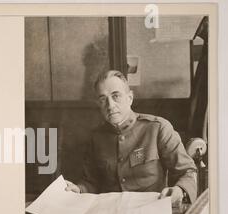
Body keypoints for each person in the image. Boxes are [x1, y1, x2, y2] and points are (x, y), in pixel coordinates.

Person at [65, 70, 197, 206]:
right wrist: (79, 190)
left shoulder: (157, 128)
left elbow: (187, 171)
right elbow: (91, 182)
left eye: (116, 96)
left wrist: (180, 190)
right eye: (103, 99)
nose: (110, 105)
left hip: (150, 211)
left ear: (130, 98)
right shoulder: (96, 138)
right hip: (110, 213)